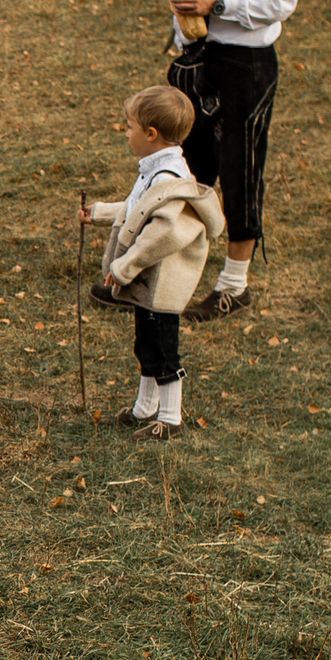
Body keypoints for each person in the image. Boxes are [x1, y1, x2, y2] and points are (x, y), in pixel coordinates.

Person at [162, 0, 300, 323]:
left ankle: (234, 286)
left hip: (245, 63)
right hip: (197, 61)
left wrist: (216, 4)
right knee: (186, 169)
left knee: (241, 167)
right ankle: (174, 272)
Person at [80, 86, 224, 441]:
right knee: (144, 345)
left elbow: (162, 232)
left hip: (161, 283)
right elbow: (134, 210)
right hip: (147, 283)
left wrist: (124, 267)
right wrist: (98, 213)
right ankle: (145, 409)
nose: (125, 133)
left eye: (129, 127)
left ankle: (170, 418)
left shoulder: (167, 178)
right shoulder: (154, 170)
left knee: (162, 348)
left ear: (150, 134)